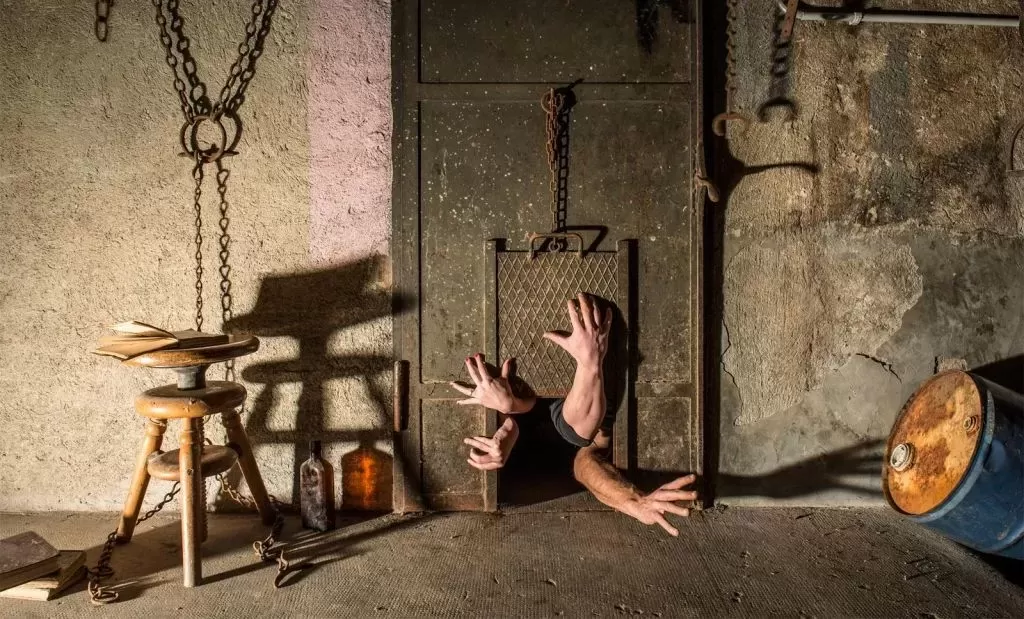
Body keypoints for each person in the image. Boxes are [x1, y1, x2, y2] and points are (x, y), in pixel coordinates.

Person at [450, 293, 697, 536]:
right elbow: (584, 464)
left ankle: (584, 370)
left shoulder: (543, 429)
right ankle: (589, 365)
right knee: (579, 436)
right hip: (577, 424)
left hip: (550, 419)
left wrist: (507, 411)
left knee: (569, 430)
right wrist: (634, 501)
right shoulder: (587, 445)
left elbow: (524, 416)